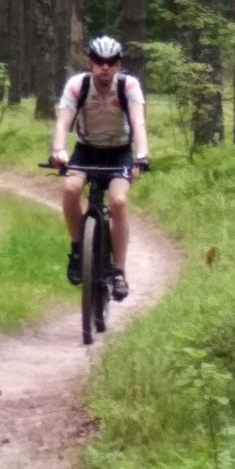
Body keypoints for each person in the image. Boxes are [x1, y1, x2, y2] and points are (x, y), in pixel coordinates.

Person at [48, 33, 150, 299]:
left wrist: (142, 154)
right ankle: (77, 250)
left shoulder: (128, 86)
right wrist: (58, 150)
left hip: (119, 152)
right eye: (99, 61)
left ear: (119, 63)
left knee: (118, 202)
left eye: (111, 61)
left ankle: (119, 272)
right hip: (86, 150)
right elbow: (63, 122)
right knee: (70, 189)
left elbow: (138, 122)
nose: (105, 66)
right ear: (90, 62)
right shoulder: (77, 85)